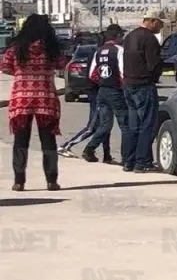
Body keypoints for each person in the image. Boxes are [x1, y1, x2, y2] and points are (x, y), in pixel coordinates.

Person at [2, 14, 70, 191]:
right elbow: (62, 65)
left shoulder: (16, 49)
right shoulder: (52, 49)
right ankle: (51, 180)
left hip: (21, 99)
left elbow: (5, 67)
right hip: (46, 98)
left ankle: (19, 181)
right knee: (48, 140)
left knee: (20, 140)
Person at [120, 13, 165, 173]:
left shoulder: (130, 36)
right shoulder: (149, 39)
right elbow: (153, 63)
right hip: (144, 85)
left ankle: (128, 161)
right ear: (152, 21)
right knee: (147, 125)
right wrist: (156, 75)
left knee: (133, 125)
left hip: (128, 84)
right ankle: (143, 162)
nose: (161, 26)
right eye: (160, 23)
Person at [82, 24, 127, 164]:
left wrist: (103, 80)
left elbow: (92, 74)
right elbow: (123, 72)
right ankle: (127, 157)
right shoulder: (119, 51)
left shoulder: (99, 51)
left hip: (102, 91)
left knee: (105, 125)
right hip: (115, 90)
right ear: (118, 36)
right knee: (125, 125)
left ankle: (89, 149)